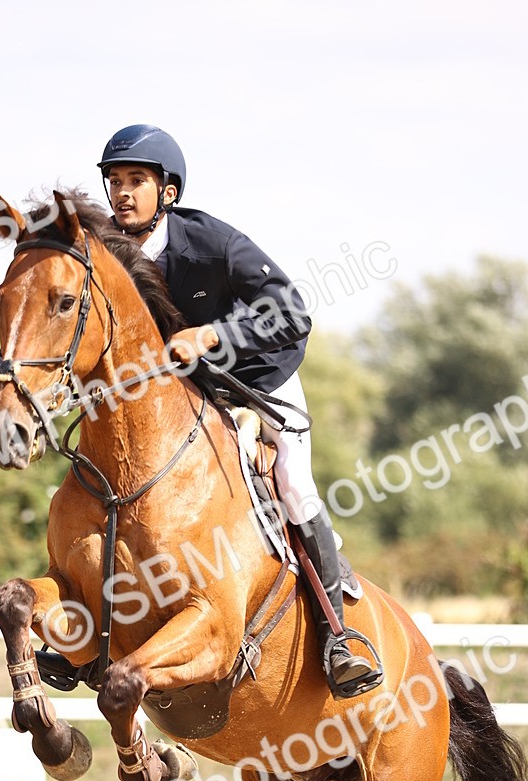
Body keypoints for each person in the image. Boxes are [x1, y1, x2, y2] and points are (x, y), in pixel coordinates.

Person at [97, 124, 380, 699]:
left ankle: (340, 635)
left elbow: (292, 315)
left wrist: (213, 335)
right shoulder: (108, 252)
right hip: (181, 397)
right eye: (115, 182)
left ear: (168, 192)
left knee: (293, 483)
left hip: (258, 379)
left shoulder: (213, 244)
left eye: (137, 181)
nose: (123, 193)